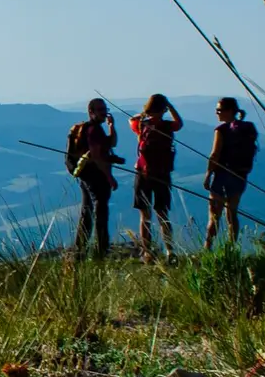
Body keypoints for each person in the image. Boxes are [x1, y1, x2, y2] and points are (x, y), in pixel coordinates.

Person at [130, 94, 183, 260]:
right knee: (162, 214)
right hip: (161, 174)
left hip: (143, 173)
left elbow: (132, 120)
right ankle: (169, 250)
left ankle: (147, 251)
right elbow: (179, 123)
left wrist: (145, 115)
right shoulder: (166, 126)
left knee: (145, 215)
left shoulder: (142, 124)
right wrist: (170, 107)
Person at [65, 98, 120, 257]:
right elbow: (97, 156)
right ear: (91, 112)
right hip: (96, 176)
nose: (104, 112)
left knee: (87, 210)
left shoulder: (93, 129)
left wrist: (111, 126)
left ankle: (80, 248)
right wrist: (109, 177)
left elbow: (112, 143)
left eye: (105, 109)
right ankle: (101, 249)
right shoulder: (94, 131)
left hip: (85, 175)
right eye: (100, 110)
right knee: (100, 211)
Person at [204, 96, 259, 249]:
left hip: (222, 175)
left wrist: (208, 175)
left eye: (219, 110)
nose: (217, 113)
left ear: (229, 111)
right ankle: (231, 248)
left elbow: (215, 154)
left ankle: (207, 247)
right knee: (232, 214)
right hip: (240, 176)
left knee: (214, 215)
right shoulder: (247, 128)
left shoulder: (221, 130)